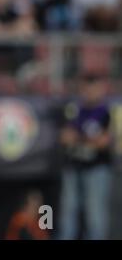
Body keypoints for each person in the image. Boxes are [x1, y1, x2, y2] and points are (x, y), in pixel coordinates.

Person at [58, 74, 113, 239]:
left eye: (93, 87)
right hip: (74, 166)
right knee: (68, 210)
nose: (90, 92)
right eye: (87, 88)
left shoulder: (105, 112)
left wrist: (79, 138)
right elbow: (64, 137)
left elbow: (104, 141)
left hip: (97, 168)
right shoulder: (75, 110)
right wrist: (88, 140)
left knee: (95, 213)